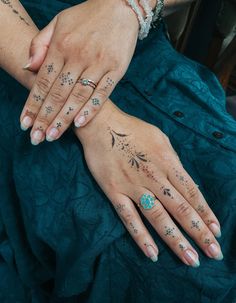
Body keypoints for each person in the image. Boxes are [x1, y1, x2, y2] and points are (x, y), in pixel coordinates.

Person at [0, 0, 235, 302]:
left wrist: (128, 9)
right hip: (16, 61)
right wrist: (99, 122)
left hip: (135, 47)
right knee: (135, 258)